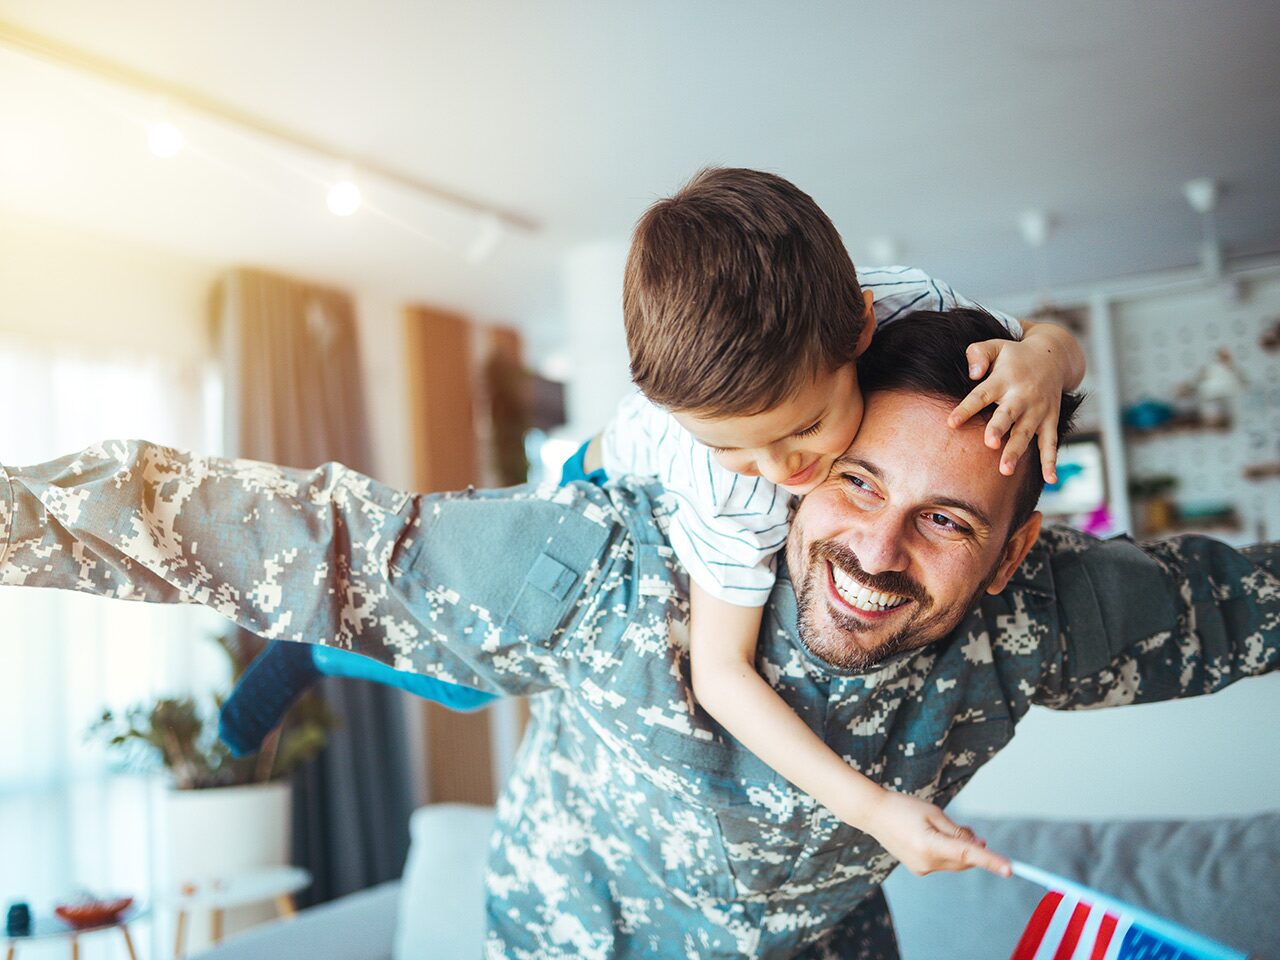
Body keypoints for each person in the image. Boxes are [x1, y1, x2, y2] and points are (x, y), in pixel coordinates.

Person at [2, 308, 1275, 959]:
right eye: (854, 483)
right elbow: (300, 535)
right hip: (573, 934)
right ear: (799, 464)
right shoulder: (611, 564)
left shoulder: (1040, 614)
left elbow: (1238, 604)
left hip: (814, 947)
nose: (876, 553)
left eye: (944, 521)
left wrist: (1051, 345)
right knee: (387, 637)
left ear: (1008, 552)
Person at [220, 169, 1085, 879]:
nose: (780, 469)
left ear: (860, 324)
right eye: (733, 444)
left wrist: (1044, 361)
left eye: (806, 428)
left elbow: (1054, 339)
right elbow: (722, 674)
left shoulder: (915, 304)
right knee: (477, 671)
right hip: (599, 481)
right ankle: (319, 649)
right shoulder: (730, 488)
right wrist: (873, 809)